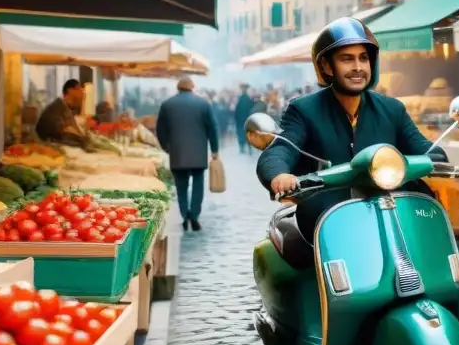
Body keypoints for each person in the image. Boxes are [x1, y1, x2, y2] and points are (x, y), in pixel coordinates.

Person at [256, 17, 444, 242]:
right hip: (329, 216)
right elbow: (282, 149)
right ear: (326, 65)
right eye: (347, 59)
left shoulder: (392, 109)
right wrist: (279, 174)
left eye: (363, 58)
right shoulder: (304, 110)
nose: (357, 67)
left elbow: (425, 149)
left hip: (387, 211)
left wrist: (438, 158)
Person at [156, 77, 220, 232]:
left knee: (181, 186)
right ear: (192, 87)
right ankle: (195, 216)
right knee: (198, 186)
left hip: (177, 152)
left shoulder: (167, 105)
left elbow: (160, 130)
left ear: (178, 88)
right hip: (198, 153)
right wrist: (215, 149)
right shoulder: (203, 104)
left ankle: (185, 216)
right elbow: (213, 127)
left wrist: (166, 147)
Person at [36, 79, 88, 146]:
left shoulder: (64, 107)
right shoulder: (56, 108)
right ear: (71, 91)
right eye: (79, 89)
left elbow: (76, 131)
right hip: (48, 149)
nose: (82, 93)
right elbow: (64, 133)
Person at [234, 85, 257, 154]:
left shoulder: (241, 98)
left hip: (241, 120)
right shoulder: (247, 98)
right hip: (245, 119)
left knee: (241, 133)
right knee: (246, 133)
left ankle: (243, 148)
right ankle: (247, 148)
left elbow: (237, 110)